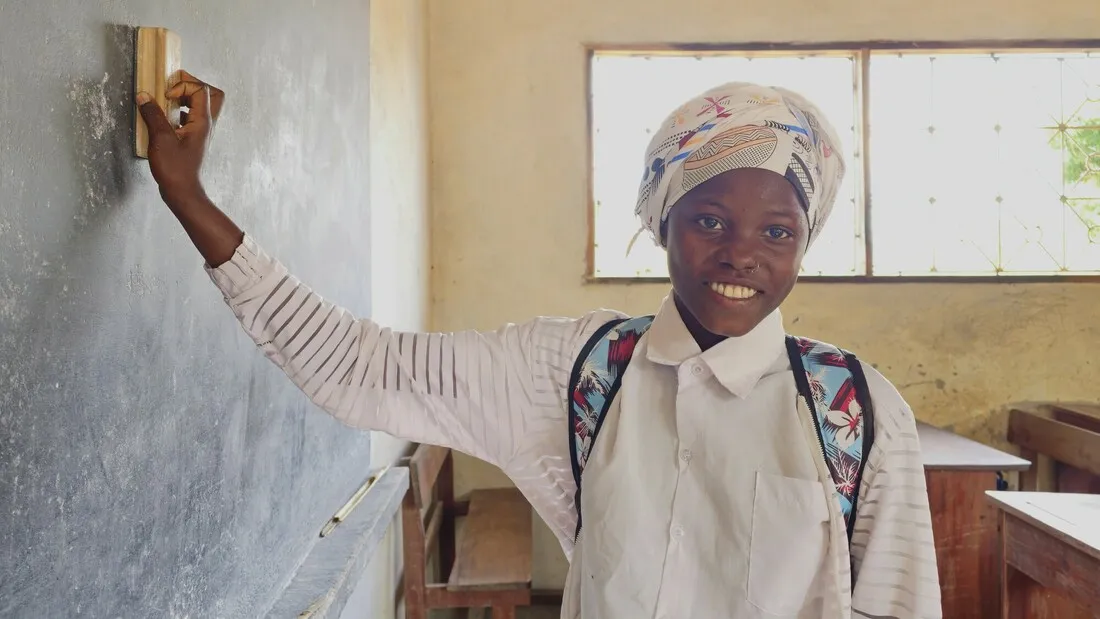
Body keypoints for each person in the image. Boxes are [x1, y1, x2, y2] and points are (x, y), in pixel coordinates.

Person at [136, 72, 941, 619]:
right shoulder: (576, 372)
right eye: (709, 220)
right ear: (663, 220)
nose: (742, 254)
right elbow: (358, 365)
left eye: (777, 230)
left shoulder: (854, 408)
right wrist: (190, 198)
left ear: (805, 243)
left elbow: (901, 600)